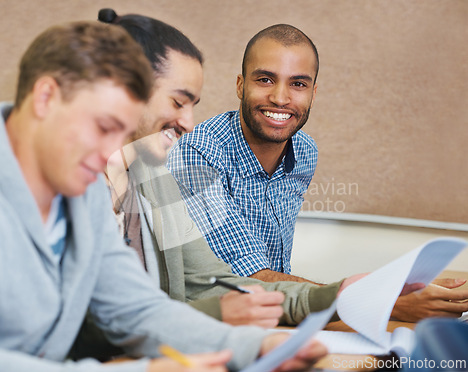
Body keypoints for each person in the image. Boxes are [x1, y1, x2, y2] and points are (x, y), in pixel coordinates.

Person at [0, 21, 327, 372]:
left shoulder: (86, 185)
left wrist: (256, 348)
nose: (112, 152)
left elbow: (135, 309)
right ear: (45, 97)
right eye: (105, 127)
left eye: (123, 134)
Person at [167, 24, 468, 321]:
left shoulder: (304, 151)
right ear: (240, 85)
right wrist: (379, 300)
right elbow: (245, 277)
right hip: (207, 325)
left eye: (298, 84)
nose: (281, 99)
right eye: (265, 80)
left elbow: (273, 273)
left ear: (313, 92)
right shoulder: (197, 154)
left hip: (274, 318)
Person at [95, 9, 346, 331]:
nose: (188, 124)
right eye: (177, 102)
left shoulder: (152, 176)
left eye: (192, 106)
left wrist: (344, 297)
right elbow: (106, 323)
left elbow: (208, 281)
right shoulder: (190, 155)